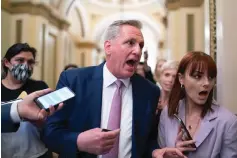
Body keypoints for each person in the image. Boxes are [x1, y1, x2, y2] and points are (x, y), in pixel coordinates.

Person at [43, 20, 185, 158]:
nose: (138, 51)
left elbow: (148, 139)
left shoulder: (150, 91)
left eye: (141, 45)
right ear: (108, 47)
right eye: (130, 43)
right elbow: (49, 132)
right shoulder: (73, 80)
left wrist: (155, 152)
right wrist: (78, 141)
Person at [155, 51, 237, 158]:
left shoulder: (228, 121)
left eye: (211, 77)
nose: (207, 83)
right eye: (198, 76)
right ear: (181, 79)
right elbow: (161, 152)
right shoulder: (168, 113)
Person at [1, 43, 51, 158]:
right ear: (7, 63)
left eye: (30, 62)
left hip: (37, 153)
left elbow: (51, 123)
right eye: (20, 60)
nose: (26, 66)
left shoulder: (39, 87)